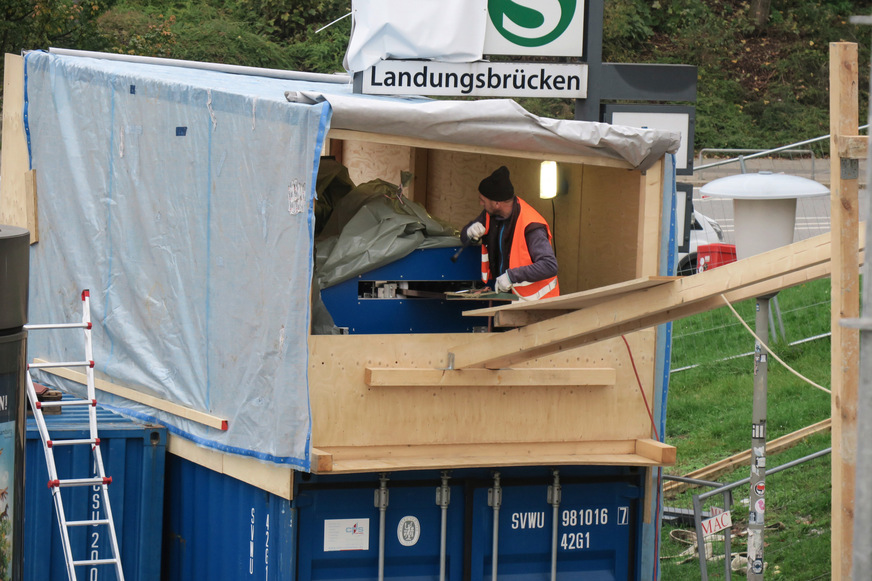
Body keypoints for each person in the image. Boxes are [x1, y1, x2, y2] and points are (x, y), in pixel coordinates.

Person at [460, 166, 559, 300]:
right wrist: (470, 233)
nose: (480, 203)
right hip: (510, 298)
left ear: (496, 203)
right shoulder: (489, 215)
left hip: (537, 302)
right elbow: (463, 236)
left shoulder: (531, 224)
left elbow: (549, 266)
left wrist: (511, 276)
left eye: (483, 200)